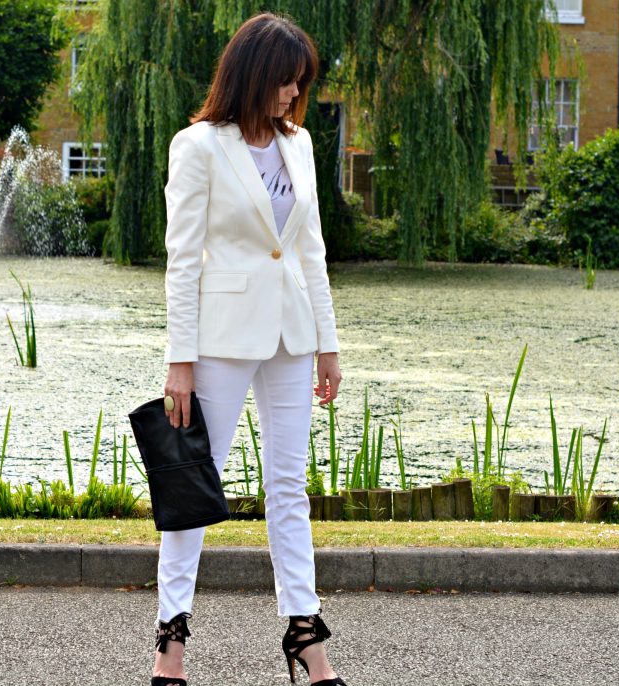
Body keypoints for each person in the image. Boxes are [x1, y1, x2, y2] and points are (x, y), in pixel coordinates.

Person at [152, 11, 347, 686]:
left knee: (289, 488)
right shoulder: (199, 145)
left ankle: (307, 643)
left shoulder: (300, 146)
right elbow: (182, 259)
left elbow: (311, 249)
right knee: (194, 488)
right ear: (254, 75)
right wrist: (180, 361)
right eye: (287, 82)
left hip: (293, 332)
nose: (295, 95)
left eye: (301, 84)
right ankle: (170, 651)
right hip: (223, 335)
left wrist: (328, 344)